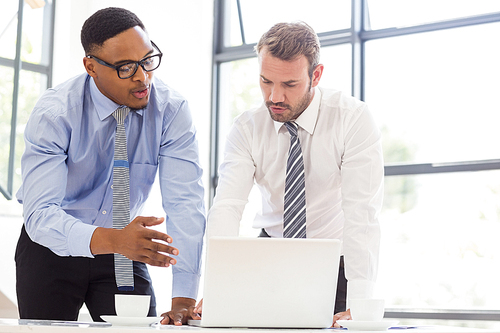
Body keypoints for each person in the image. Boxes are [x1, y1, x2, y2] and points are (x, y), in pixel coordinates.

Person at [15, 7, 204, 326]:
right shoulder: (55, 114)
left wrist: (184, 298)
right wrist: (114, 240)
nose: (142, 77)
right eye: (126, 68)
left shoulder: (171, 110)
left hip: (124, 247)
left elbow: (185, 204)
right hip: (52, 246)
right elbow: (40, 214)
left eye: (147, 60)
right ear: (91, 66)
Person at [196, 21, 384, 327]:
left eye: (290, 84)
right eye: (266, 81)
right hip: (269, 256)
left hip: (335, 262)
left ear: (316, 75)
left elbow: (361, 213)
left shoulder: (352, 119)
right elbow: (228, 206)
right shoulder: (247, 128)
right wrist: (216, 286)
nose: (275, 97)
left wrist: (360, 302)